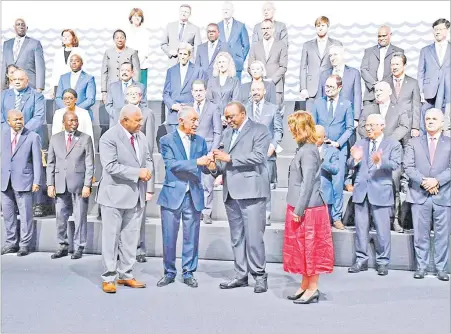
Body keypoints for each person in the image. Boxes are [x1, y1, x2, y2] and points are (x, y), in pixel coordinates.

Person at [210, 101, 271, 293]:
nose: (228, 121)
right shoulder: (227, 133)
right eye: (226, 117)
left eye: (231, 117)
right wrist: (213, 167)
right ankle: (240, 275)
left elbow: (259, 157)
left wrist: (230, 159)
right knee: (237, 238)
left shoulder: (260, 130)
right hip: (231, 192)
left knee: (254, 238)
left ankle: (259, 275)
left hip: (252, 191)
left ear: (243, 113)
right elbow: (223, 165)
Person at [96, 104, 154, 293]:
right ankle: (109, 277)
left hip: (135, 196)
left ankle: (126, 275)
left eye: (141, 119)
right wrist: (138, 173)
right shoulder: (109, 138)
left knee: (130, 238)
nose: (141, 122)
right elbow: (111, 166)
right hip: (113, 197)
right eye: (137, 120)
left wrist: (148, 176)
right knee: (111, 238)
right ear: (124, 121)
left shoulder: (142, 137)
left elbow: (148, 160)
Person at [156, 106, 215, 288]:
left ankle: (188, 272)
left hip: (194, 194)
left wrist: (211, 166)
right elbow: (172, 165)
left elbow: (204, 167)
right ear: (181, 120)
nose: (197, 124)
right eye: (193, 120)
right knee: (169, 236)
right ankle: (169, 272)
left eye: (198, 120)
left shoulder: (200, 141)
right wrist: (196, 162)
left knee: (192, 236)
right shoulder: (166, 140)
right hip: (173, 194)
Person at [284, 111, 334, 304]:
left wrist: (299, 209)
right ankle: (305, 284)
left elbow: (308, 184)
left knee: (311, 248)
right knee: (301, 247)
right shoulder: (303, 148)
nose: (290, 129)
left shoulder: (309, 150)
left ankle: (313, 288)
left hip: (309, 209)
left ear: (301, 128)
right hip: (301, 206)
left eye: (292, 126)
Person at [347, 114, 402, 276]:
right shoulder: (361, 143)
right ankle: (361, 259)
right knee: (360, 228)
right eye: (367, 125)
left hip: (381, 191)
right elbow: (350, 164)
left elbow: (396, 164)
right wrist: (355, 160)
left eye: (372, 125)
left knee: (383, 229)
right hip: (361, 191)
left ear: (382, 125)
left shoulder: (393, 144)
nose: (368, 128)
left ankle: (383, 262)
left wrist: (380, 161)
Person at [404, 108, 450, 281]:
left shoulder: (449, 142)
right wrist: (426, 182)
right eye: (427, 118)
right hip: (419, 194)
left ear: (442, 123)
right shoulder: (414, 142)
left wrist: (436, 181)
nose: (430, 121)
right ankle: (421, 267)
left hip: (443, 195)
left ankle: (441, 268)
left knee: (442, 235)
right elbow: (408, 166)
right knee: (420, 234)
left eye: (434, 119)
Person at [358, 81, 410, 232]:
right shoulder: (368, 108)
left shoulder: (399, 108)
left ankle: (394, 219)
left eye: (381, 90)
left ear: (389, 92)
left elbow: (404, 126)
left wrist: (387, 140)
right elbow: (361, 126)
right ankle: (372, 220)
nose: (378, 92)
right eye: (376, 90)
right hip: (370, 150)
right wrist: (373, 138)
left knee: (393, 182)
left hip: (390, 151)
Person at [46, 112, 94, 260]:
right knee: (60, 217)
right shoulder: (55, 138)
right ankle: (62, 245)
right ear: (64, 122)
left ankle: (79, 246)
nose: (74, 123)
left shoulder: (85, 138)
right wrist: (50, 184)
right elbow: (51, 163)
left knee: (80, 217)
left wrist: (87, 184)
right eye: (71, 120)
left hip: (79, 184)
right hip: (60, 184)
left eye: (76, 120)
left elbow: (90, 164)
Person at [310, 74, 354, 230]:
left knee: (337, 183)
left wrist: (338, 143)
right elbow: (312, 125)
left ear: (339, 87)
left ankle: (336, 217)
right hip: (320, 147)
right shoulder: (317, 103)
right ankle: (321, 216)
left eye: (331, 87)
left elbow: (349, 128)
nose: (327, 90)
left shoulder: (346, 104)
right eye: (326, 87)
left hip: (338, 148)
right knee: (321, 182)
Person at [1, 110, 42, 256]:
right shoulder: (2, 136)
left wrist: (36, 181)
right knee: (8, 215)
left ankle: (25, 244)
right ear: (8, 121)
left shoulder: (32, 137)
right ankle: (11, 243)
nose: (19, 121)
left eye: (21, 119)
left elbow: (37, 161)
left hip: (24, 181)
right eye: (16, 119)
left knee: (26, 215)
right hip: (4, 182)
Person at [124, 84, 156, 263]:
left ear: (141, 96)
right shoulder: (122, 113)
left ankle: (139, 248)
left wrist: (150, 182)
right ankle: (125, 248)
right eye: (130, 93)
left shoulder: (148, 113)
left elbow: (149, 146)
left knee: (139, 213)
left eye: (136, 93)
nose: (133, 96)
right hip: (125, 170)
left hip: (141, 167)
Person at [245, 80, 283, 224]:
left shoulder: (273, 108)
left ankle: (266, 214)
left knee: (265, 184)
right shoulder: (245, 109)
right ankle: (251, 214)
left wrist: (273, 145)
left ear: (264, 91)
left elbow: (279, 130)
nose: (256, 92)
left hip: (267, 153)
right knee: (249, 183)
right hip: (249, 153)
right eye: (253, 89)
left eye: (258, 89)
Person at [191, 80, 222, 224]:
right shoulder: (188, 108)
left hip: (208, 148)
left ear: (205, 91)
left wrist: (212, 152)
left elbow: (217, 131)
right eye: (195, 91)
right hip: (191, 150)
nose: (198, 93)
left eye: (200, 90)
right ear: (192, 92)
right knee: (193, 181)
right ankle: (194, 210)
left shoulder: (213, 107)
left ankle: (207, 211)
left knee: (207, 183)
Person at [298, 16, 342, 111]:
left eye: (323, 25)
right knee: (310, 118)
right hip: (311, 88)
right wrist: (303, 88)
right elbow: (303, 67)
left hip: (330, 85)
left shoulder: (336, 44)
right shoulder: (307, 45)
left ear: (328, 27)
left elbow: (340, 65)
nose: (320, 28)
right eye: (318, 26)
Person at [162, 42, 206, 131]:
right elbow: (165, 94)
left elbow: (201, 93)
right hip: (174, 116)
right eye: (180, 54)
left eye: (185, 54)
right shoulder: (171, 71)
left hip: (190, 114)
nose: (182, 56)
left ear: (189, 56)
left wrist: (188, 106)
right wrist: (173, 105)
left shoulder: (198, 70)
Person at [418, 19, 451, 133]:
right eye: (435, 29)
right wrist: (421, 92)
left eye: (441, 29)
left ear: (447, 30)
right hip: (429, 94)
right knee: (425, 121)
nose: (437, 32)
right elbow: (420, 72)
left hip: (448, 93)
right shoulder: (425, 50)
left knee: (445, 124)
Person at [248, 19, 288, 110]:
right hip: (258, 88)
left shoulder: (282, 45)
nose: (266, 30)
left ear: (273, 29)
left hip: (275, 87)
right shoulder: (255, 46)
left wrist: (271, 81)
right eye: (263, 28)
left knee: (276, 117)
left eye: (268, 28)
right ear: (261, 30)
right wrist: (259, 80)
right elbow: (250, 67)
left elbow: (283, 67)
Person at [360, 25, 404, 105]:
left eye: (384, 35)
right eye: (379, 36)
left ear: (390, 35)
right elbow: (363, 70)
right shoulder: (368, 51)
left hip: (390, 95)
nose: (381, 38)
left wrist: (383, 86)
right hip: (370, 95)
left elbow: (398, 71)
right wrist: (375, 84)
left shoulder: (398, 51)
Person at [1, 18, 45, 91]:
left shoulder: (35, 43)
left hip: (29, 86)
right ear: (14, 27)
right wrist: (2, 87)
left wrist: (39, 88)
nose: (20, 26)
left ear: (26, 28)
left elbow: (40, 67)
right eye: (18, 24)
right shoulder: (7, 44)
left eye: (23, 25)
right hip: (11, 86)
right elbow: (4, 67)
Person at [384, 52, 421, 139]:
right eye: (392, 64)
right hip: (389, 125)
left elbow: (416, 106)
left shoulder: (413, 83)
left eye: (397, 64)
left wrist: (415, 127)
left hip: (407, 125)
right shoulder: (385, 82)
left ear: (404, 65)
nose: (394, 67)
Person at [101, 30, 140, 104]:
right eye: (117, 38)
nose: (119, 40)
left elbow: (136, 71)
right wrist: (104, 91)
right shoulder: (108, 52)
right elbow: (104, 72)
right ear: (114, 40)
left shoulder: (132, 52)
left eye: (122, 37)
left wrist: (134, 88)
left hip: (128, 87)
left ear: (125, 39)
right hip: (111, 87)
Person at [52, 89, 95, 153]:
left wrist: (91, 154)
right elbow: (54, 134)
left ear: (75, 99)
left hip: (79, 148)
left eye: (70, 98)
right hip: (62, 148)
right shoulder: (58, 113)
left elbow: (89, 134)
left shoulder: (84, 113)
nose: (68, 101)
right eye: (65, 98)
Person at [105, 62, 147, 127]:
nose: (124, 72)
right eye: (122, 70)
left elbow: (143, 105)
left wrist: (134, 117)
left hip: (134, 123)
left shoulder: (140, 87)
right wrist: (117, 115)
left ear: (132, 72)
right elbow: (108, 105)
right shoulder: (112, 86)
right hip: (116, 123)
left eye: (127, 70)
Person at [55, 53, 96, 120]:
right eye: (71, 61)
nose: (73, 62)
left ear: (82, 63)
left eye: (77, 61)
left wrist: (75, 110)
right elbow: (58, 97)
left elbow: (90, 99)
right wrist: (67, 109)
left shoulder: (89, 78)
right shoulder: (63, 77)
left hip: (83, 114)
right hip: (65, 115)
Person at [217, 2, 250, 80]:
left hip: (236, 64)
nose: (225, 11)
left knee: (236, 88)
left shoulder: (240, 26)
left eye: (227, 9)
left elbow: (246, 45)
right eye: (224, 9)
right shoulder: (217, 26)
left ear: (232, 11)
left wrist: (240, 58)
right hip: (221, 65)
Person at [50, 29, 85, 98]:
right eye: (63, 36)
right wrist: (52, 88)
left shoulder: (80, 51)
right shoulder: (58, 52)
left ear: (73, 38)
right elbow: (55, 71)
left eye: (68, 36)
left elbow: (83, 69)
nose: (65, 38)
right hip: (59, 86)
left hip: (74, 85)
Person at [315, 125, 340, 224]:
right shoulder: (305, 149)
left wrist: (322, 162)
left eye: (317, 137)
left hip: (325, 193)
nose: (314, 139)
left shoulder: (332, 151)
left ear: (324, 137)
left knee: (324, 227)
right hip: (309, 194)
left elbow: (335, 169)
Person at [124, 8, 152, 86]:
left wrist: (138, 63)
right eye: (134, 16)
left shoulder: (145, 32)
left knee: (141, 88)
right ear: (131, 18)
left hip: (142, 64)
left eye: (139, 16)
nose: (137, 18)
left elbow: (145, 50)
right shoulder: (126, 31)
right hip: (128, 64)